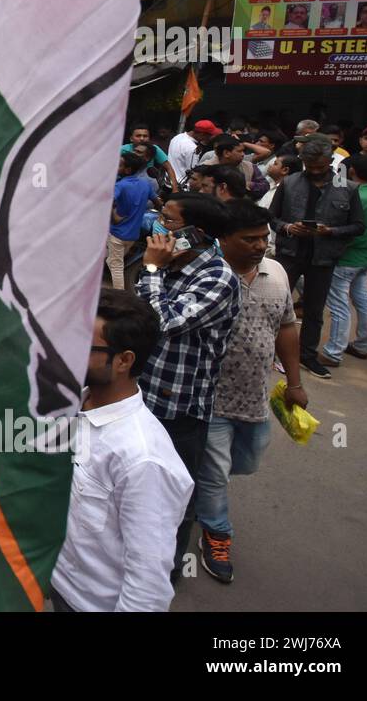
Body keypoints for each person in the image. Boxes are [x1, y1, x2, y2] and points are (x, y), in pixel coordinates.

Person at [49, 289, 193, 612]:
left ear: (123, 361)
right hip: (59, 585)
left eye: (86, 345)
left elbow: (147, 587)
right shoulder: (72, 404)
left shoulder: (144, 459)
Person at [194, 200, 306, 584]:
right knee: (214, 473)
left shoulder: (276, 272)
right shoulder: (201, 273)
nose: (260, 246)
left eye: (265, 238)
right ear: (222, 238)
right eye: (250, 239)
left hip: (255, 396)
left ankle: (192, 491)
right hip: (206, 398)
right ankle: (216, 533)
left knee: (246, 462)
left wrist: (294, 382)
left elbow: (287, 327)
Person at [135, 192, 240, 580]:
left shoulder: (217, 277)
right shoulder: (168, 268)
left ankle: (160, 582)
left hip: (178, 411)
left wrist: (149, 271)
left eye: (168, 221)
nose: (158, 226)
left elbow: (162, 323)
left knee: (171, 505)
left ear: (194, 234)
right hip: (140, 398)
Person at [268, 134, 365, 379]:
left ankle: (307, 355)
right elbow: (271, 217)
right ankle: (268, 351)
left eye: (320, 167)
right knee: (276, 305)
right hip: (289, 254)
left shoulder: (346, 186)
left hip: (323, 258)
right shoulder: (290, 182)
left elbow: (358, 226)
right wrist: (289, 228)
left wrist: (330, 231)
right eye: (310, 167)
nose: (314, 171)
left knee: (314, 309)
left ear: (330, 161)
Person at [318, 155, 367, 368]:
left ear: (353, 171)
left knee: (339, 305)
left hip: (348, 257)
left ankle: (333, 352)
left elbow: (349, 231)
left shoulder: (357, 195)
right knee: (363, 300)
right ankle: (362, 345)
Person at [108, 151, 151, 290]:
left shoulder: (121, 185)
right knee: (112, 260)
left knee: (116, 267)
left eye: (119, 165)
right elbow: (157, 201)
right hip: (132, 235)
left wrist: (114, 218)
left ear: (127, 169)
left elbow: (108, 201)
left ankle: (119, 295)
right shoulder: (146, 184)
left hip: (117, 234)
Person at [203, 134, 267, 199]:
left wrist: (250, 185)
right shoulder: (206, 167)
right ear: (226, 153)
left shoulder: (249, 166)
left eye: (243, 151)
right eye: (239, 151)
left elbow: (265, 186)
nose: (243, 154)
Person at [121, 123, 179, 192]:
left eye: (145, 136)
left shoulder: (154, 149)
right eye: (138, 136)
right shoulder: (123, 150)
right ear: (131, 138)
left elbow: (168, 168)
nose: (142, 139)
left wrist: (175, 189)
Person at [167, 119, 219, 187]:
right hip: (180, 185)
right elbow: (194, 172)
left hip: (168, 180)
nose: (210, 138)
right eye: (209, 136)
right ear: (202, 134)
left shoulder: (178, 137)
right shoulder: (192, 148)